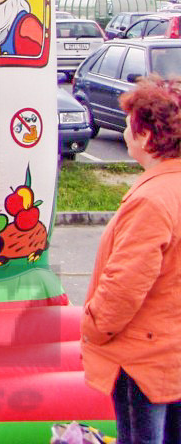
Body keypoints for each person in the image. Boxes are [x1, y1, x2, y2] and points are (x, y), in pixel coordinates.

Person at [81, 76, 181, 444]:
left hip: (142, 359)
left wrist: (93, 327)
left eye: (128, 125)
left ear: (147, 136)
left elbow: (125, 284)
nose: (124, 132)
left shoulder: (151, 200)